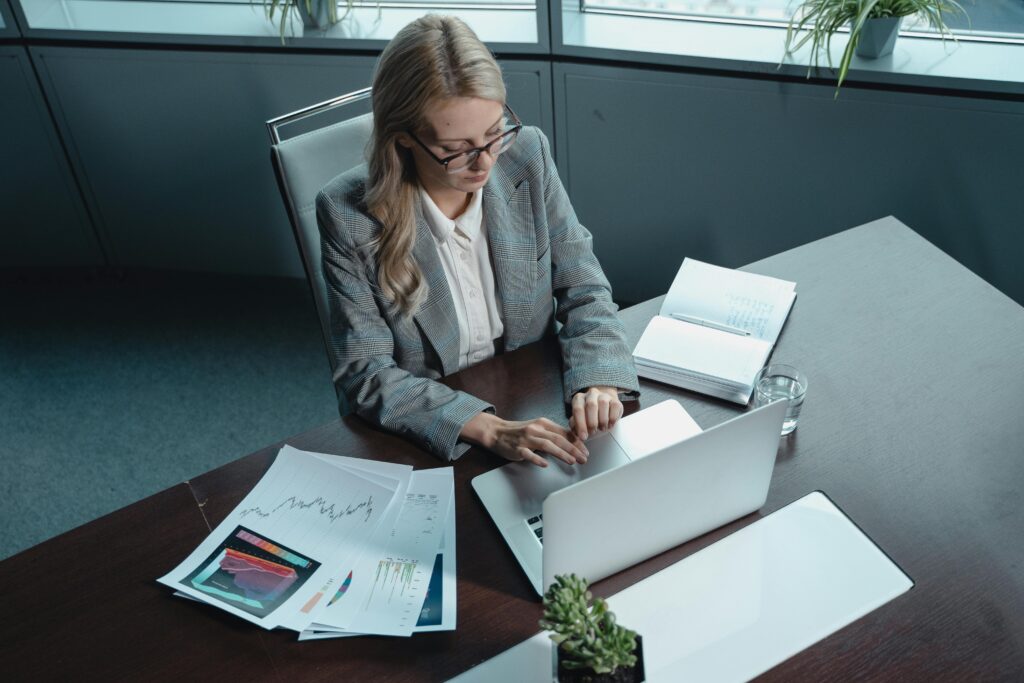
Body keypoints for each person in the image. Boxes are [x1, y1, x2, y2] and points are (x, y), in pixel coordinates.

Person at [316, 15, 639, 468]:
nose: (485, 161)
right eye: (458, 149)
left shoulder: (526, 155)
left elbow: (584, 285)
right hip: (431, 432)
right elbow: (366, 373)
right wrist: (487, 428)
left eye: (493, 133)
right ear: (404, 139)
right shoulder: (347, 214)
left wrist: (599, 379)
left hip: (536, 398)